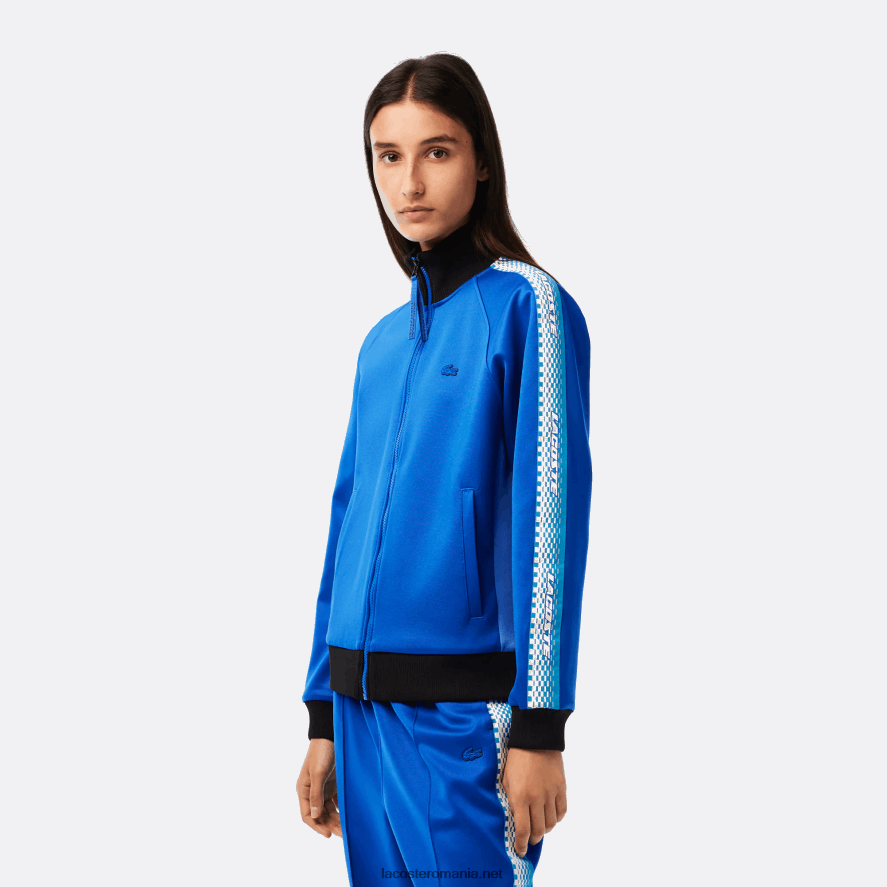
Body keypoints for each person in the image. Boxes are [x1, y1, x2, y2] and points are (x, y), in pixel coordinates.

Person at [297, 52, 592, 886]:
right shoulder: (381, 343)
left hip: (463, 719)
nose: (410, 181)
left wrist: (539, 724)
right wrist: (322, 713)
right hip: (360, 715)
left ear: (482, 160)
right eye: (388, 155)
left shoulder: (526, 306)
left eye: (437, 150)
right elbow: (346, 526)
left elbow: (550, 519)